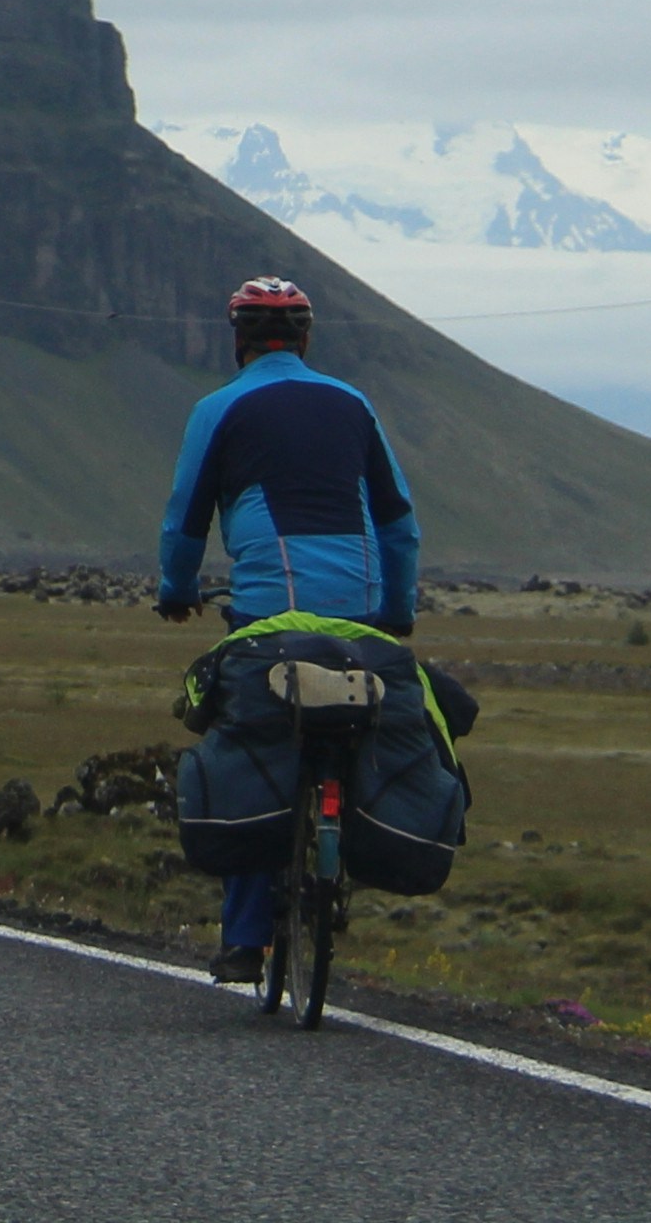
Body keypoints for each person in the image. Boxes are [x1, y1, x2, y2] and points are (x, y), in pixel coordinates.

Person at [154, 272, 419, 985]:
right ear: (306, 338)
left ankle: (244, 938)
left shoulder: (218, 409)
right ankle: (347, 853)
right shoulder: (355, 404)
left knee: (252, 738)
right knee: (363, 723)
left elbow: (186, 520)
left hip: (268, 617)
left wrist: (176, 593)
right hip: (360, 614)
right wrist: (397, 610)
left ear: (238, 338)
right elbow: (399, 523)